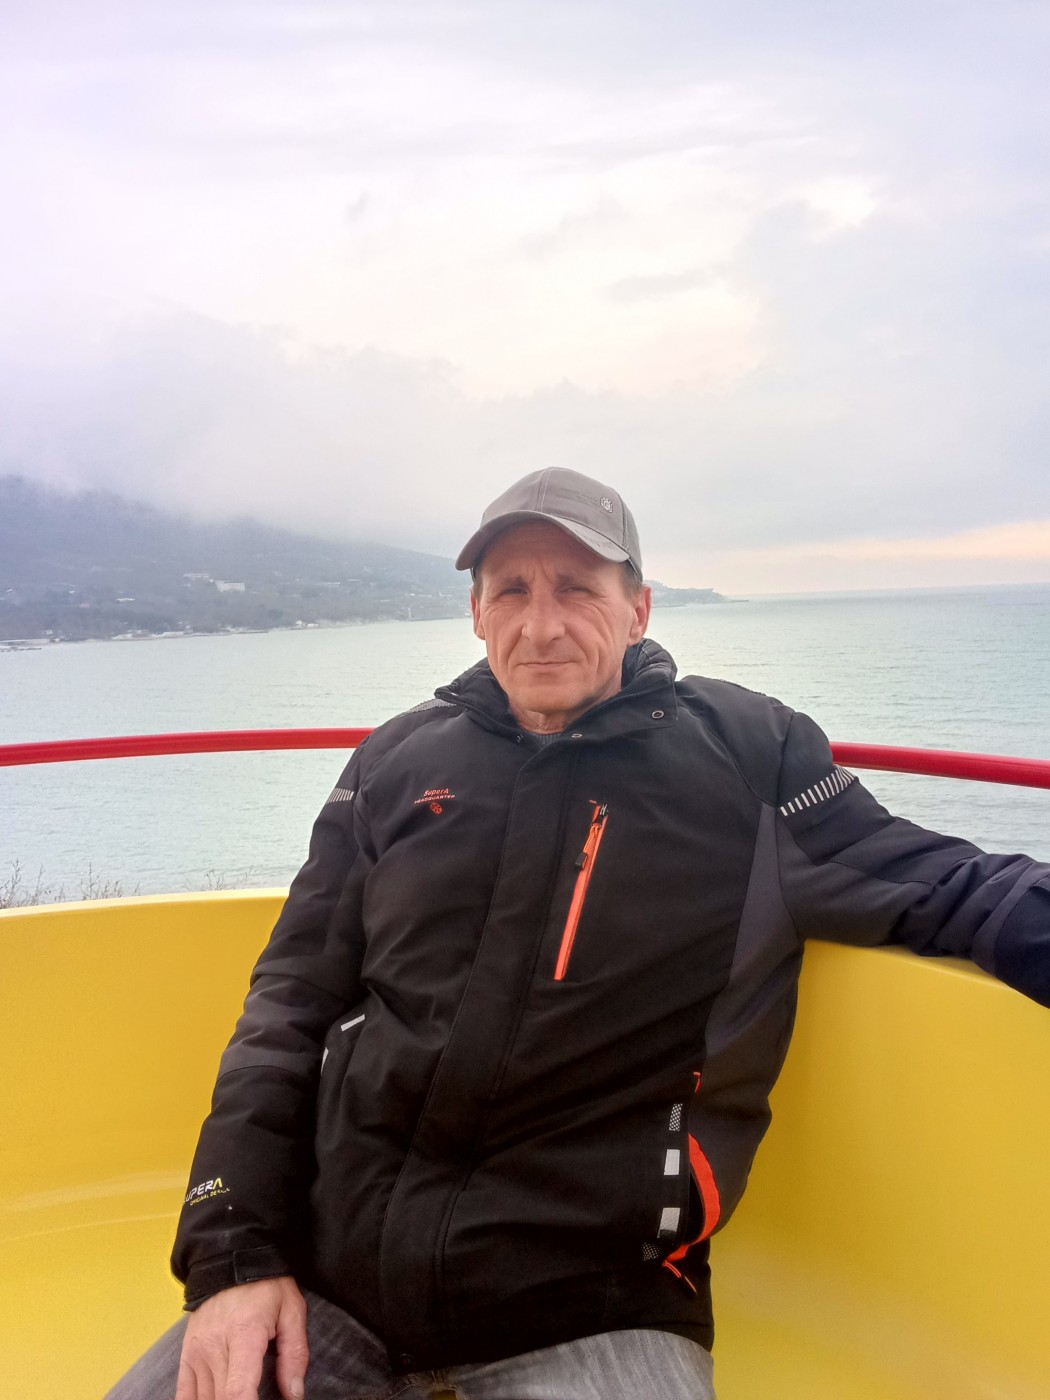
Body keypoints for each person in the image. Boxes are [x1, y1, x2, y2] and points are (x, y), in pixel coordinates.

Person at [108, 469, 1050, 1400]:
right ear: (476, 614)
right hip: (332, 1289)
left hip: (597, 1309)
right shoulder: (394, 763)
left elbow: (951, 884)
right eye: (511, 590)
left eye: (577, 588)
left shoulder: (749, 758)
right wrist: (234, 1256)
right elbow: (288, 1004)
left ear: (639, 609)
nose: (542, 624)